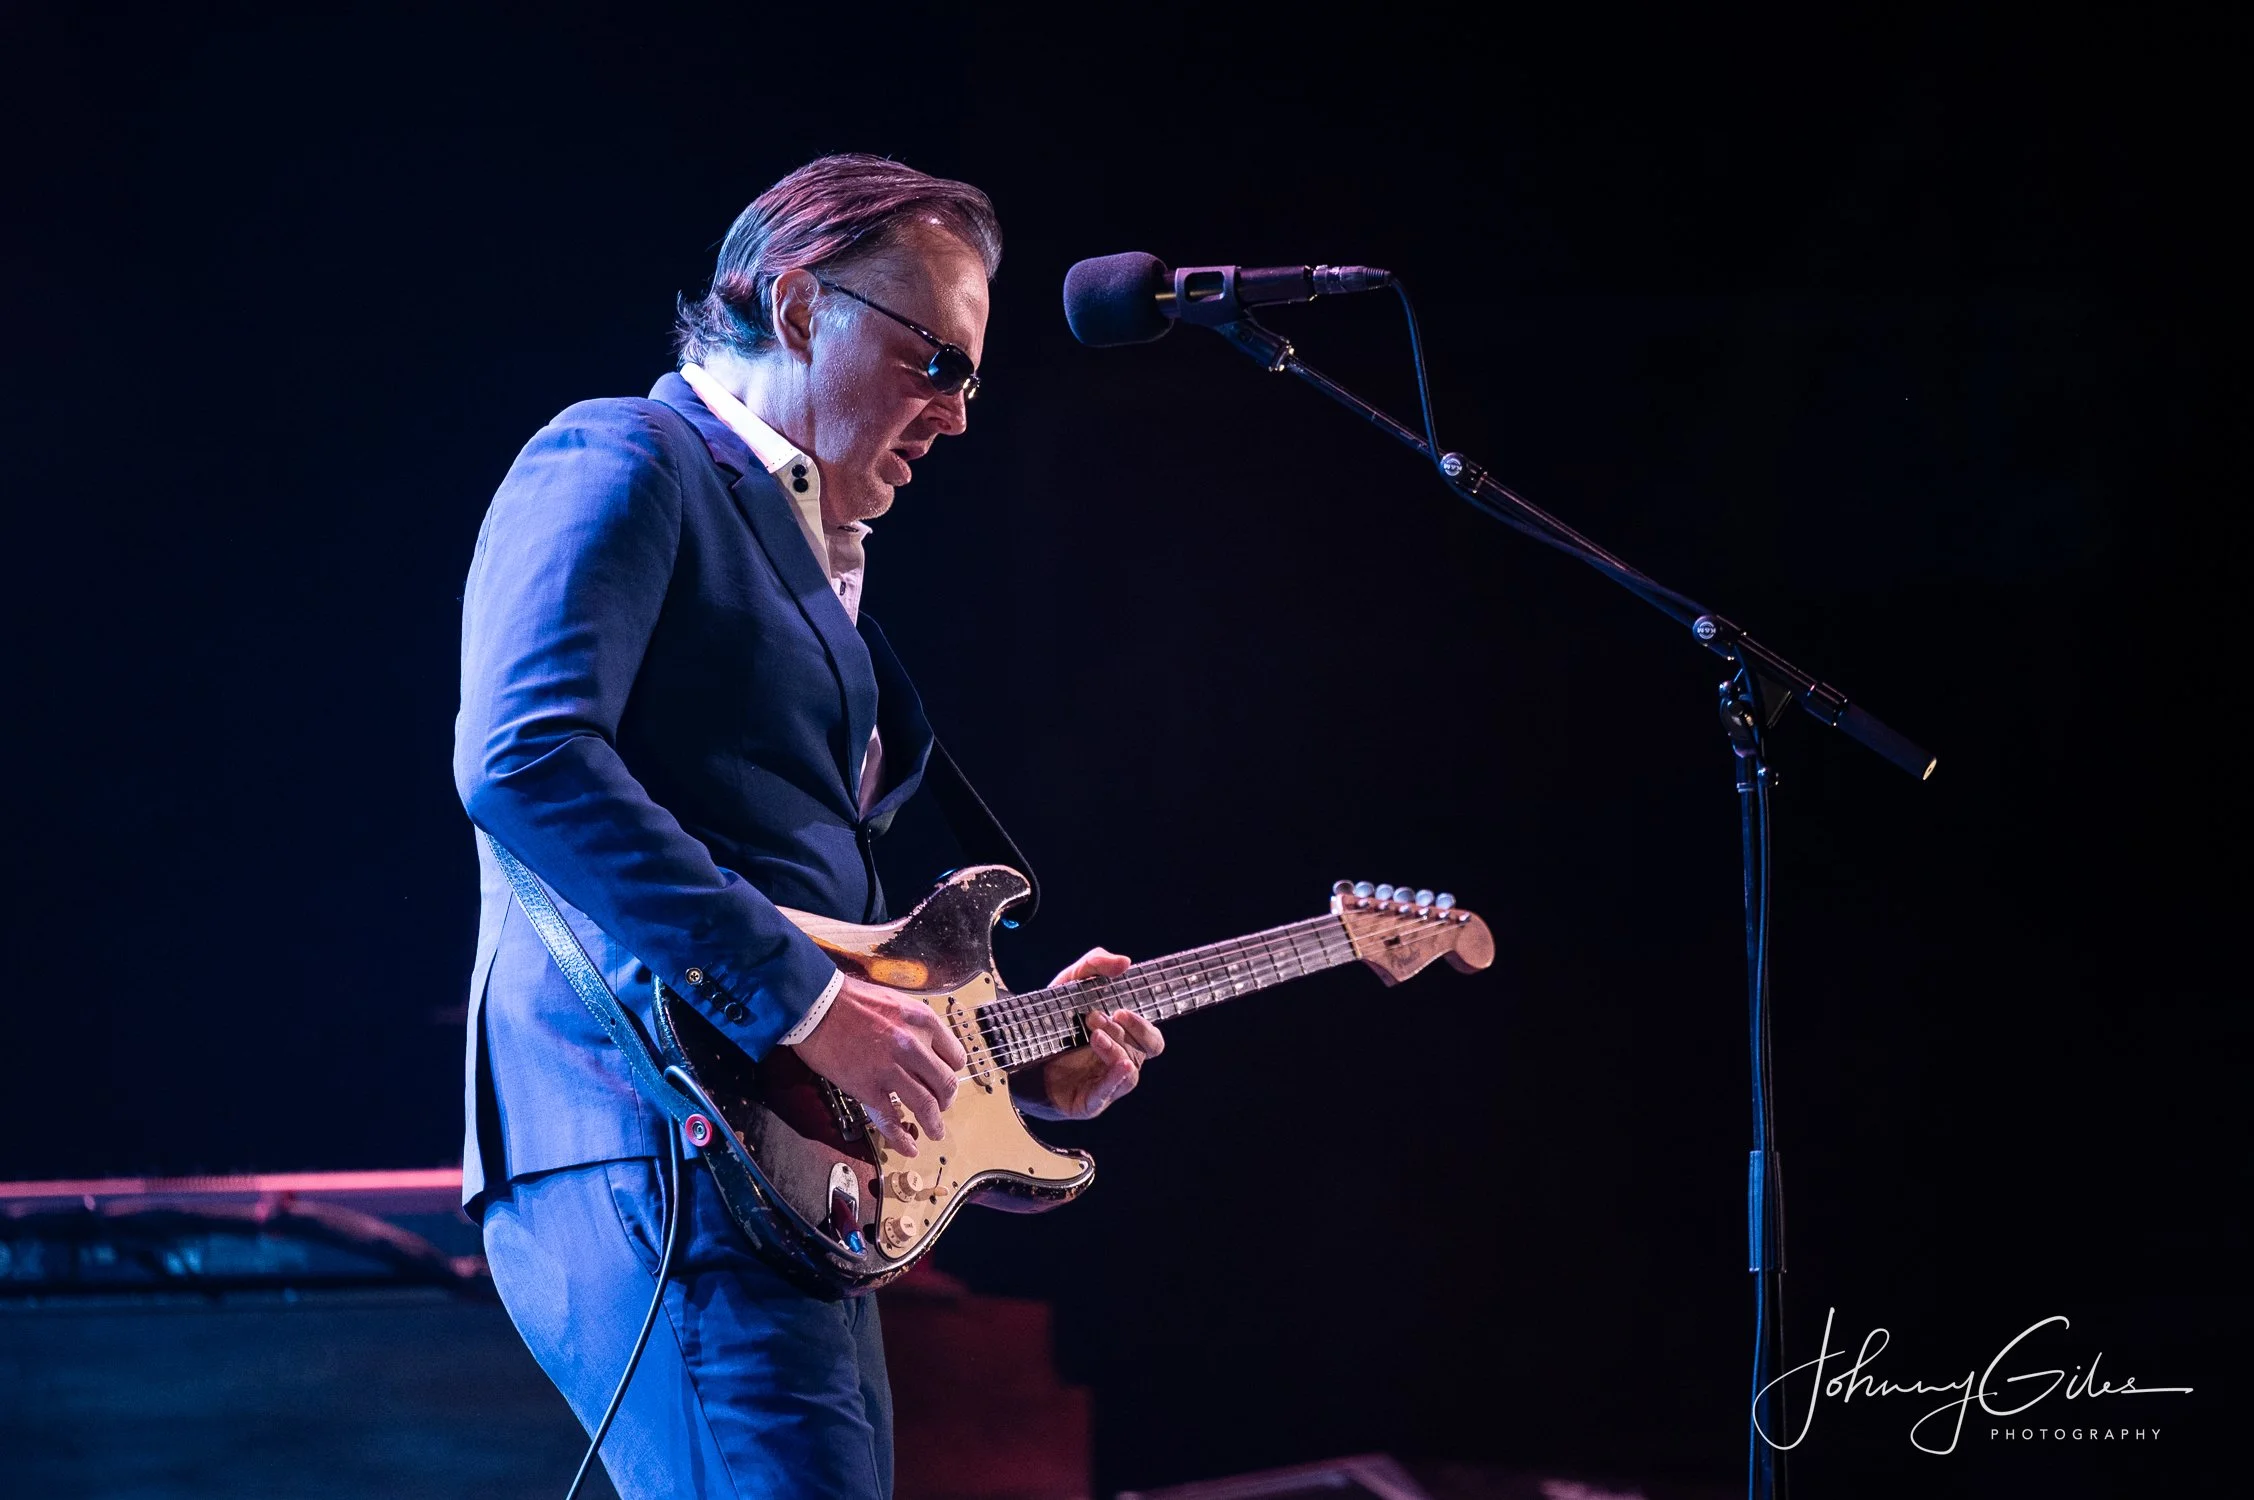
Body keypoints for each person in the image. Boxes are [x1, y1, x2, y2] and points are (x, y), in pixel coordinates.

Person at [453, 154, 1166, 1500]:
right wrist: (809, 1003)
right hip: (654, 1137)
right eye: (936, 364)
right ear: (796, 310)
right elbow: (525, 759)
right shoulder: (623, 454)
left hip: (779, 1172)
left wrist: (984, 1067)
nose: (957, 415)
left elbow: (811, 915)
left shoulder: (816, 556)